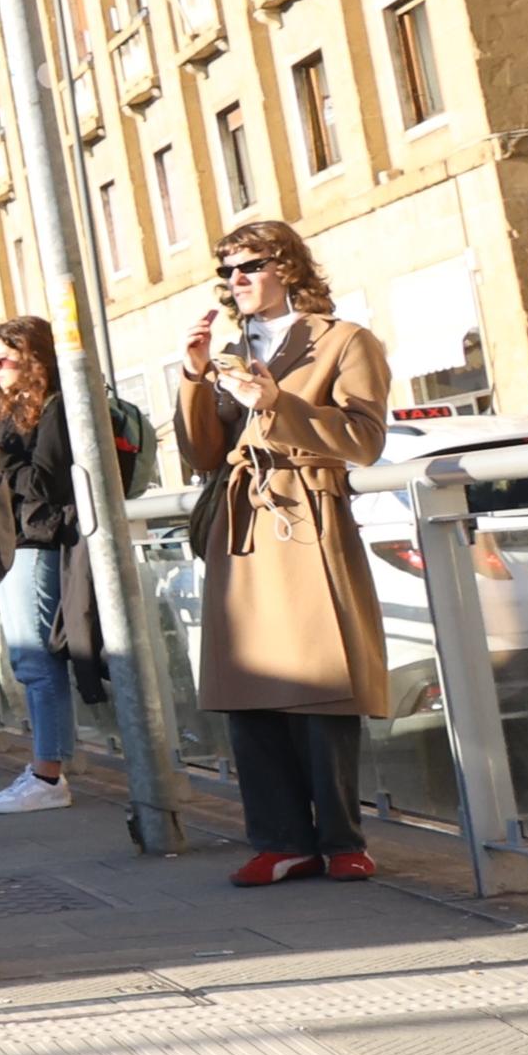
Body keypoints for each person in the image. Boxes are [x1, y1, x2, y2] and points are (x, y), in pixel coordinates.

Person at [180, 220, 391, 885]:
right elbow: (203, 457)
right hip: (241, 524)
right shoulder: (229, 351)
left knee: (319, 685)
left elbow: (363, 439)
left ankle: (340, 837)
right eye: (228, 271)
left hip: (307, 515)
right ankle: (279, 840)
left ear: (287, 266)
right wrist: (193, 377)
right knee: (250, 686)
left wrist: (276, 405)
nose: (236, 281)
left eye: (248, 266)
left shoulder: (344, 340)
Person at [0, 321, 84, 815]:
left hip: (38, 541)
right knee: (29, 661)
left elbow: (43, 481)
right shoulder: (12, 408)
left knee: (37, 661)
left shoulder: (56, 408)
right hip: (17, 540)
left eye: (3, 359)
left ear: (33, 358)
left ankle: (49, 775)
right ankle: (45, 769)